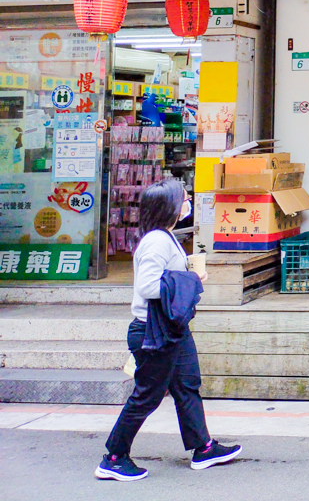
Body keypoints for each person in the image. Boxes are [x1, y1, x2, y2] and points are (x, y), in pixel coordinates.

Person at [96, 180, 241, 482]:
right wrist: (190, 277)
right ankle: (113, 456)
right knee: (147, 396)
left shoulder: (166, 237)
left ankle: (203, 447)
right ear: (170, 207)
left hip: (171, 328)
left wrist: (184, 274)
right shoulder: (156, 242)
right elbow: (148, 286)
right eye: (185, 199)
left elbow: (163, 278)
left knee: (188, 384)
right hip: (153, 331)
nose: (188, 203)